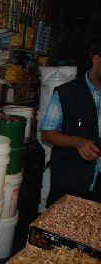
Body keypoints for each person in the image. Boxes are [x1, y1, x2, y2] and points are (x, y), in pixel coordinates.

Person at [40, 37, 101, 205]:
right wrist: (77, 142)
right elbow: (47, 133)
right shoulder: (67, 93)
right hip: (71, 184)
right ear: (97, 60)